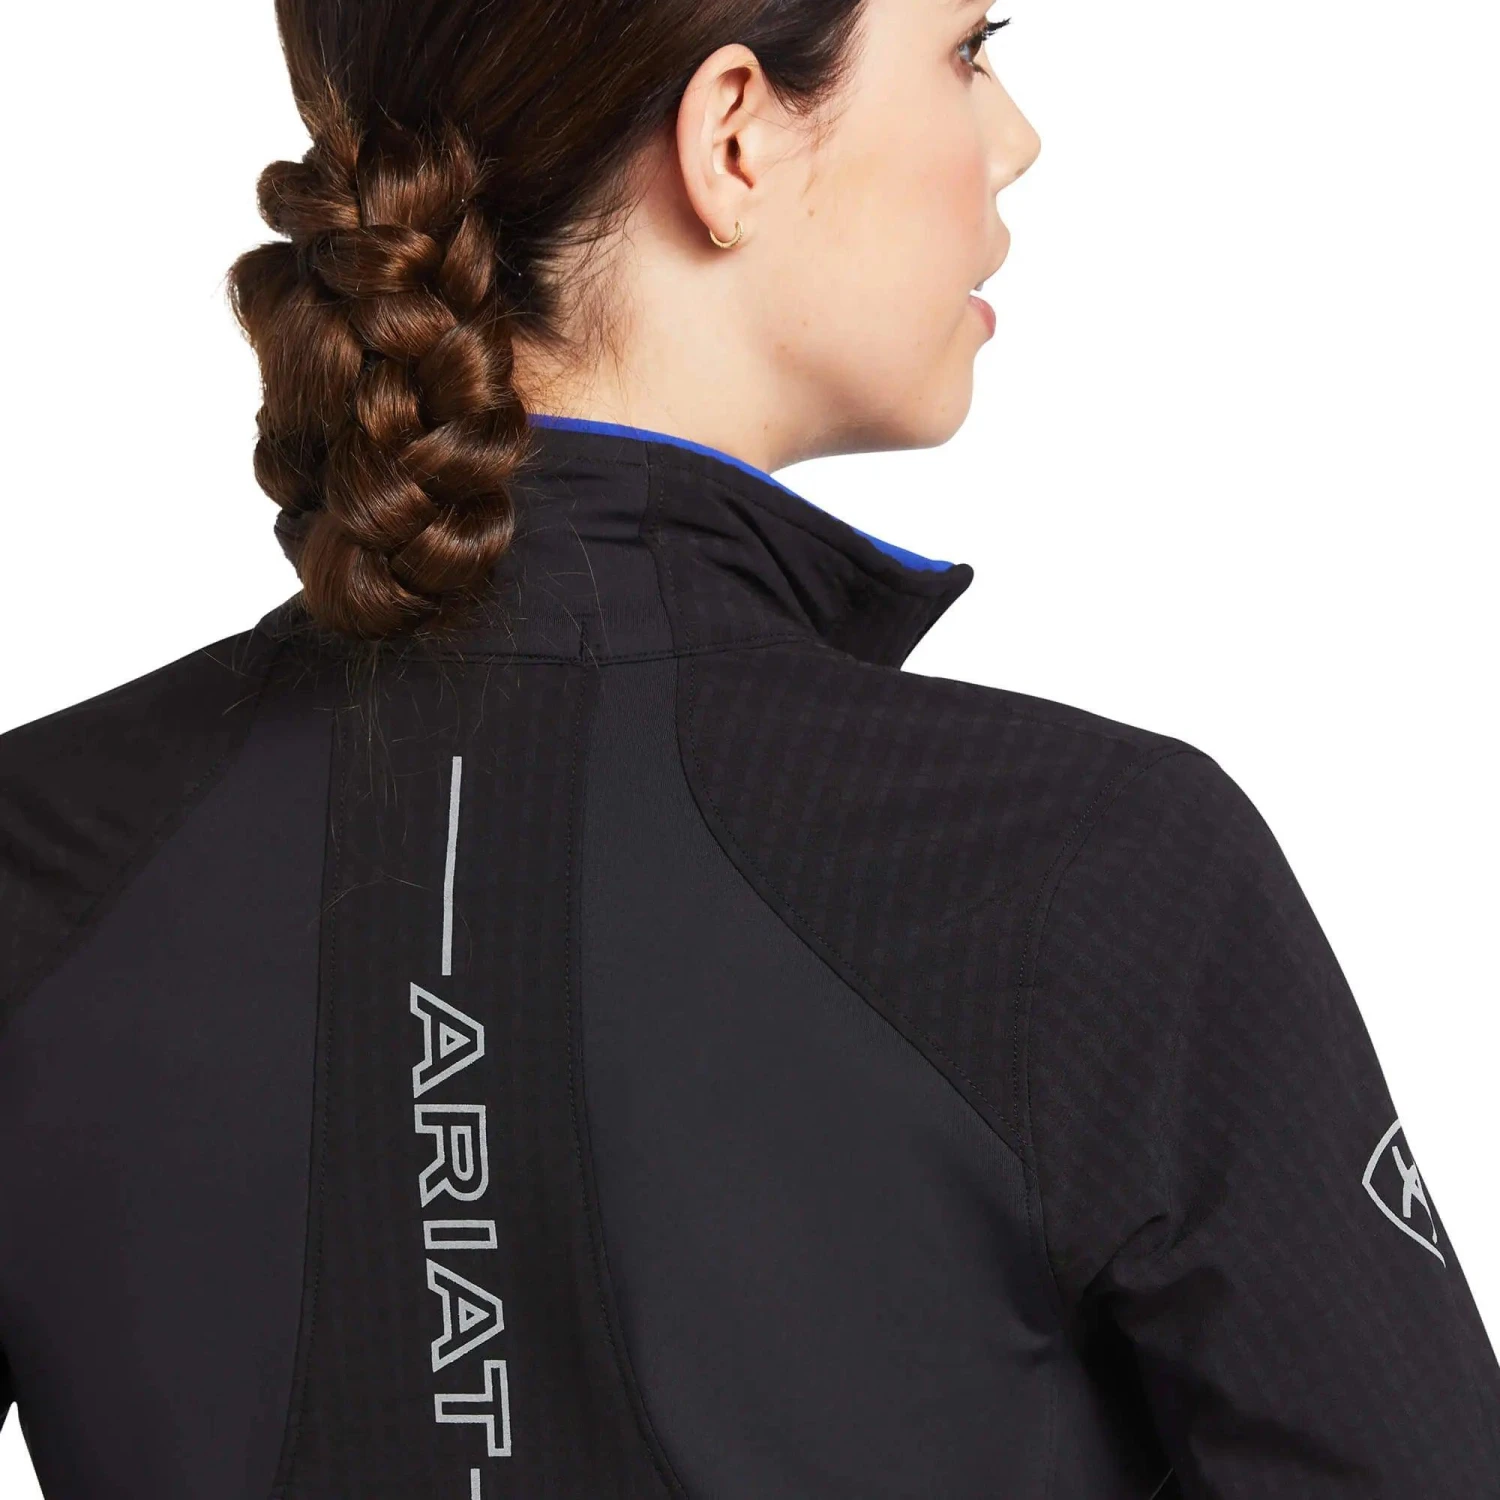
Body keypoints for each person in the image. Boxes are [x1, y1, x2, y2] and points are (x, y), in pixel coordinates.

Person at [0, 0, 1495, 1496]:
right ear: (733, 136)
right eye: (968, 50)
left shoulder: (46, 856)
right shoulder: (1089, 872)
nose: (1016, 138)